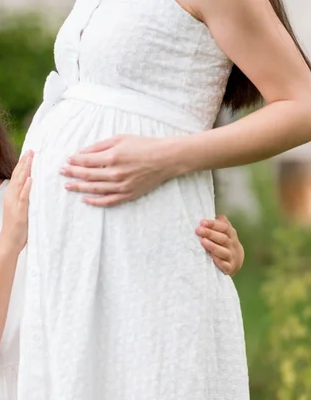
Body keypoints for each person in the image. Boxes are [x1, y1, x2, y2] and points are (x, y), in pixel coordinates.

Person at [0, 57, 247, 400]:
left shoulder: (42, 186)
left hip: (63, 378)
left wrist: (219, 251)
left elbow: (119, 256)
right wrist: (10, 238)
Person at [17, 0, 311, 399]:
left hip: (145, 230)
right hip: (69, 252)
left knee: (149, 374)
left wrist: (164, 157)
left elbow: (303, 106)